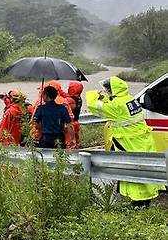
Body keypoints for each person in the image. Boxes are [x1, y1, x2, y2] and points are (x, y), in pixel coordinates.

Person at [86, 76, 165, 207]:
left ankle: (139, 206)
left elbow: (94, 106)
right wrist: (106, 98)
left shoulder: (117, 106)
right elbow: (114, 106)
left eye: (107, 89)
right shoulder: (129, 99)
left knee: (135, 174)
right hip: (142, 141)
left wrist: (93, 94)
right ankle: (145, 202)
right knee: (146, 172)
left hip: (130, 143)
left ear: (113, 90)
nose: (106, 91)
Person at [66, 81, 84, 149]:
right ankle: (77, 148)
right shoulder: (79, 99)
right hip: (76, 122)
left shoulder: (69, 100)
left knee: (69, 141)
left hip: (70, 124)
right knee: (76, 139)